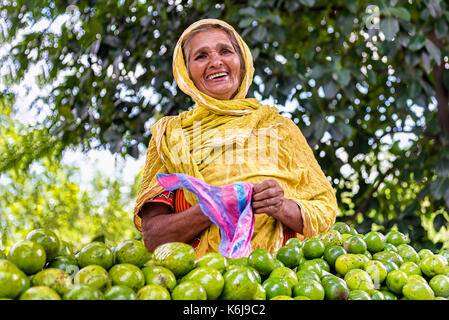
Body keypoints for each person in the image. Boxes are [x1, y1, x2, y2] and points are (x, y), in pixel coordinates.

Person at [133, 19, 338, 259]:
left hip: (279, 279)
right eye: (201, 56)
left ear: (242, 63)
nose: (215, 62)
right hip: (199, 282)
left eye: (225, 51)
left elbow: (325, 212)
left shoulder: (278, 127)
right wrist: (213, 205)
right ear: (186, 72)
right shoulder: (170, 136)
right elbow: (154, 237)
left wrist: (280, 207)